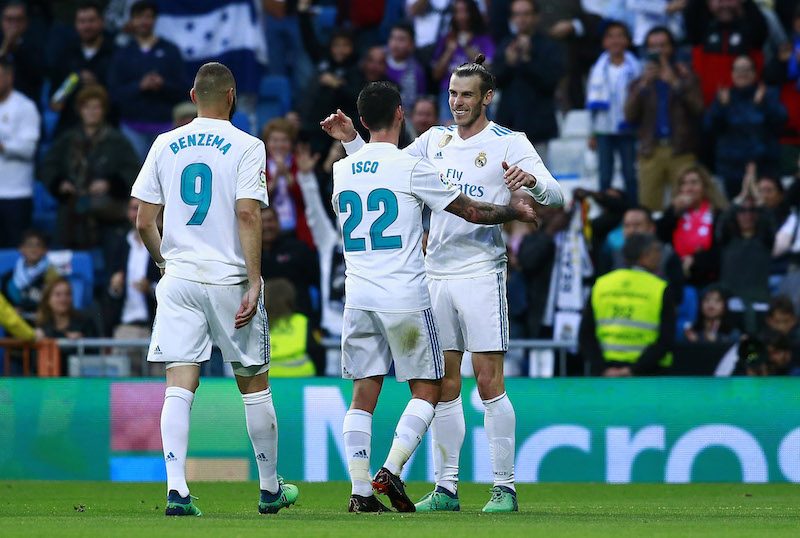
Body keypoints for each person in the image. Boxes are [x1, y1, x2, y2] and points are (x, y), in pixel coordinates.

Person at [322, 57, 563, 513]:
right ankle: (446, 487)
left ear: (487, 97)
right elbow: (382, 167)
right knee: (445, 384)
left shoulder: (511, 142)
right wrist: (353, 140)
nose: (457, 102)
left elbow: (557, 194)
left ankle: (504, 487)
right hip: (433, 275)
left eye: (466, 94)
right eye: (452, 93)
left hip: (481, 271)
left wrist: (532, 182)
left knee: (488, 381)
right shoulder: (434, 140)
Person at [131, 62, 298, 516]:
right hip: (229, 279)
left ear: (193, 95)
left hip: (180, 279)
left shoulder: (164, 143)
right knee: (253, 383)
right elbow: (247, 213)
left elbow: (144, 221)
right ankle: (269, 489)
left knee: (179, 383)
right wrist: (255, 278)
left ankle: (177, 490)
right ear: (231, 96)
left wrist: (165, 263)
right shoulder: (247, 145)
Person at [40, 85, 140, 253]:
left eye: (96, 107)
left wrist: (110, 184)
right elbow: (48, 165)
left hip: (108, 213)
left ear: (103, 110)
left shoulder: (118, 141)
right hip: (71, 212)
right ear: (80, 110)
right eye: (87, 107)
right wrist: (60, 183)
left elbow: (133, 170)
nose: (91, 112)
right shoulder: (67, 139)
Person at [624, 26, 704, 212]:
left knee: (686, 205)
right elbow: (629, 115)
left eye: (663, 45)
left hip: (681, 150)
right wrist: (643, 86)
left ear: (672, 48)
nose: (658, 51)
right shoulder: (640, 82)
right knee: (648, 207)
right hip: (651, 151)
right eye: (653, 46)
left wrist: (675, 83)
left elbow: (698, 109)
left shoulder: (686, 76)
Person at [579, 233, 676, 376]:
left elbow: (585, 335)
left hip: (607, 374)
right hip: (649, 375)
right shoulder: (660, 288)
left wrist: (603, 369)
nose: (660, 256)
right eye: (657, 251)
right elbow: (666, 339)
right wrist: (633, 370)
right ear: (645, 255)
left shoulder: (601, 284)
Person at [107, 0, 186, 161]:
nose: (144, 21)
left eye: (148, 16)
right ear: (131, 21)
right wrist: (139, 86)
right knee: (136, 173)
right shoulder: (123, 54)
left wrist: (163, 85)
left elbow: (183, 89)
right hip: (131, 127)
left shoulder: (170, 50)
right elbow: (114, 93)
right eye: (139, 17)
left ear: (155, 20)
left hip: (165, 126)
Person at [705, 55, 788, 198]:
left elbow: (781, 122)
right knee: (736, 207)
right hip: (732, 168)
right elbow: (710, 128)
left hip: (765, 167)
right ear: (732, 73)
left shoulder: (767, 94)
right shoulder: (724, 96)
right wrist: (722, 108)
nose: (742, 73)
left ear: (755, 73)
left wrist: (763, 105)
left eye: (746, 69)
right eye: (738, 69)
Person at [493, 0, 564, 161]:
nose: (522, 19)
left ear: (536, 17)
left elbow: (550, 82)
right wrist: (508, 64)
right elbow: (494, 82)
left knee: (537, 175)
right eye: (517, 14)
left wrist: (527, 60)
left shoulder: (549, 46)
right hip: (509, 126)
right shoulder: (506, 44)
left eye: (526, 14)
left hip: (538, 127)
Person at [586, 21, 641, 203]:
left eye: (620, 36)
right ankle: (605, 208)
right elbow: (591, 104)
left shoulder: (636, 68)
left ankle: (633, 208)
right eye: (611, 36)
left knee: (630, 172)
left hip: (628, 127)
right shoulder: (598, 69)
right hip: (604, 128)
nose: (616, 40)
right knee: (605, 172)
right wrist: (592, 132)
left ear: (627, 40)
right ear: (604, 42)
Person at [105, 197, 160, 372]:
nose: (137, 213)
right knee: (123, 384)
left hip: (157, 326)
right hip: (125, 328)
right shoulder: (119, 244)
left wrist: (150, 289)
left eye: (141, 208)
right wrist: (115, 287)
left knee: (160, 384)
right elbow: (110, 290)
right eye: (133, 208)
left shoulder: (164, 242)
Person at [49, 0, 116, 135]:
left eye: (91, 21)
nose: (86, 26)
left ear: (101, 22)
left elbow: (120, 96)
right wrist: (74, 80)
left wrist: (97, 85)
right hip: (70, 126)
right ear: (75, 24)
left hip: (108, 127)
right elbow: (55, 102)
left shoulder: (115, 53)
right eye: (82, 21)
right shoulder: (66, 53)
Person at [656, 165, 728, 289]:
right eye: (683, 184)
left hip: (708, 280)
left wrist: (695, 260)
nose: (688, 188)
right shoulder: (673, 214)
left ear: (705, 187)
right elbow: (659, 237)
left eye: (694, 183)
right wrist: (672, 211)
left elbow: (722, 250)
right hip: (675, 277)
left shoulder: (718, 215)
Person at [430, 0, 495, 121]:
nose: (461, 16)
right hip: (449, 92)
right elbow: (436, 74)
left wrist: (466, 46)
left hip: (477, 92)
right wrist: (449, 51)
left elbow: (488, 68)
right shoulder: (447, 39)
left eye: (465, 11)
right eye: (457, 12)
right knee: (450, 128)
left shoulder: (483, 39)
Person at [0, 57, 40, 248]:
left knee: (14, 251)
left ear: (10, 76)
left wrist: (3, 147)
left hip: (16, 194)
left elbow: (28, 149)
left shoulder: (25, 107)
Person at [261, 119, 314, 249]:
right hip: (269, 230)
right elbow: (260, 198)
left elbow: (307, 198)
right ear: (267, 143)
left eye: (284, 140)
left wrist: (286, 174)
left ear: (291, 143)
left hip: (298, 229)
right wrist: (275, 178)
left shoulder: (301, 163)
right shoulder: (260, 165)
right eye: (274, 140)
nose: (279, 145)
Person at [260, 206, 319, 320]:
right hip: (264, 321)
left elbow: (317, 282)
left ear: (278, 222)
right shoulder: (248, 256)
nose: (266, 226)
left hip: (299, 319)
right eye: (262, 221)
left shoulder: (298, 249)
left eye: (270, 220)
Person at [0, 230, 60, 323]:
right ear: (21, 249)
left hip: (44, 324)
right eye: (29, 245)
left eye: (38, 245)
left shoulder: (52, 276)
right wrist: (12, 312)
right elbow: (3, 304)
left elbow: (58, 303)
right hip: (16, 324)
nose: (33, 249)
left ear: (45, 250)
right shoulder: (8, 277)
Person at [263, 278, 318, 377]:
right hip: (300, 375)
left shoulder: (257, 323)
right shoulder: (301, 321)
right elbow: (315, 350)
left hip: (264, 377)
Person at [0, 1, 44, 103]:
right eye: (9, 19)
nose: (13, 25)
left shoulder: (36, 44)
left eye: (18, 20)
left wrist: (17, 48)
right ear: (2, 21)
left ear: (26, 22)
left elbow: (37, 76)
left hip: (25, 102)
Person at [386, 22, 427, 110]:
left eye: (401, 40)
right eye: (393, 38)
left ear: (411, 45)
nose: (395, 44)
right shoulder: (379, 61)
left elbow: (419, 101)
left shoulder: (417, 72)